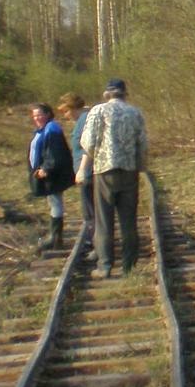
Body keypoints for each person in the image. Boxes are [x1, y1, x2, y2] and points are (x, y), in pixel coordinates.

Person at [79, 77, 148, 279]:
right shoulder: (135, 113)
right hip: (129, 171)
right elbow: (143, 144)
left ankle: (105, 265)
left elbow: (88, 143)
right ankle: (129, 266)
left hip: (104, 170)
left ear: (106, 94)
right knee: (128, 221)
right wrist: (140, 167)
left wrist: (84, 168)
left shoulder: (98, 111)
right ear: (125, 94)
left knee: (104, 221)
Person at [27, 102, 75, 252]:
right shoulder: (44, 129)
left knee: (55, 203)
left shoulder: (52, 129)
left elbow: (55, 152)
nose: (36, 118)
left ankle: (55, 239)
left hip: (52, 174)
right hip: (46, 173)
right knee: (53, 203)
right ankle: (55, 238)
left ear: (48, 114)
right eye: (34, 115)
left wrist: (46, 168)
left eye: (39, 115)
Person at [57, 92, 93, 253]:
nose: (65, 115)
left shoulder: (85, 119)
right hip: (85, 171)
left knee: (90, 209)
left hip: (88, 172)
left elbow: (88, 147)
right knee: (89, 209)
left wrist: (82, 170)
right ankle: (93, 239)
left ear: (73, 108)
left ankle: (93, 241)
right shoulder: (83, 120)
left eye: (66, 111)